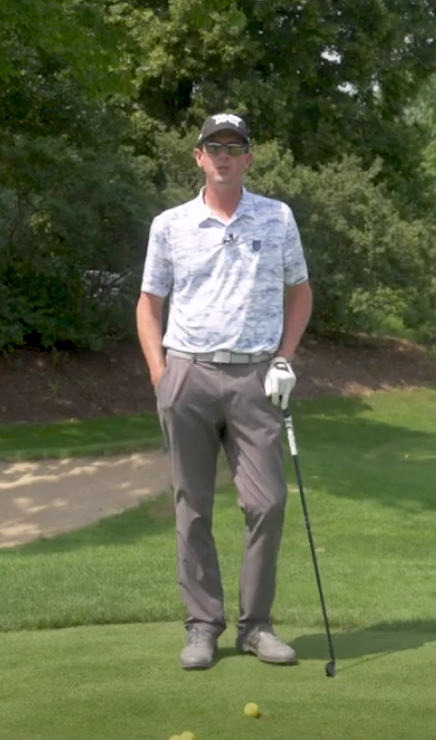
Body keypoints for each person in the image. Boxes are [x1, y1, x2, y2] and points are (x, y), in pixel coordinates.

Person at [136, 112, 314, 670]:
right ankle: (202, 626)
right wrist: (161, 376)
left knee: (268, 502)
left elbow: (301, 293)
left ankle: (256, 626)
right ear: (197, 156)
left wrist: (284, 357)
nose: (223, 155)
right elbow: (148, 305)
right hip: (187, 373)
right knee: (192, 507)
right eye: (213, 146)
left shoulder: (277, 218)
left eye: (234, 147)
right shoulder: (169, 225)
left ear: (248, 158)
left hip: (255, 377)